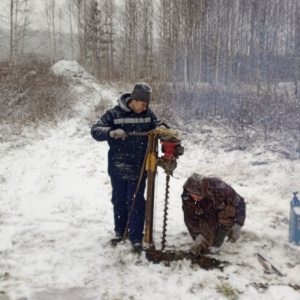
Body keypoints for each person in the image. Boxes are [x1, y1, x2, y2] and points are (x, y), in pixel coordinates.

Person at [91, 83, 159, 252]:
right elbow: (95, 130)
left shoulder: (147, 114)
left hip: (139, 167)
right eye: (143, 104)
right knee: (119, 200)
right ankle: (120, 232)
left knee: (135, 201)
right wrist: (111, 133)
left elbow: (158, 125)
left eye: (147, 105)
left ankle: (136, 237)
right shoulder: (113, 114)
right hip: (118, 166)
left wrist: (163, 131)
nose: (145, 108)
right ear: (134, 101)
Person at [181, 173, 246, 255]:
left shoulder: (221, 188)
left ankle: (226, 229)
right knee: (206, 244)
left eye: (199, 196)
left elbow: (239, 203)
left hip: (222, 212)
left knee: (230, 209)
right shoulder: (187, 196)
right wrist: (196, 234)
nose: (196, 199)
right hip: (206, 216)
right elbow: (189, 217)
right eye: (194, 195)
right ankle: (212, 232)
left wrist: (238, 224)